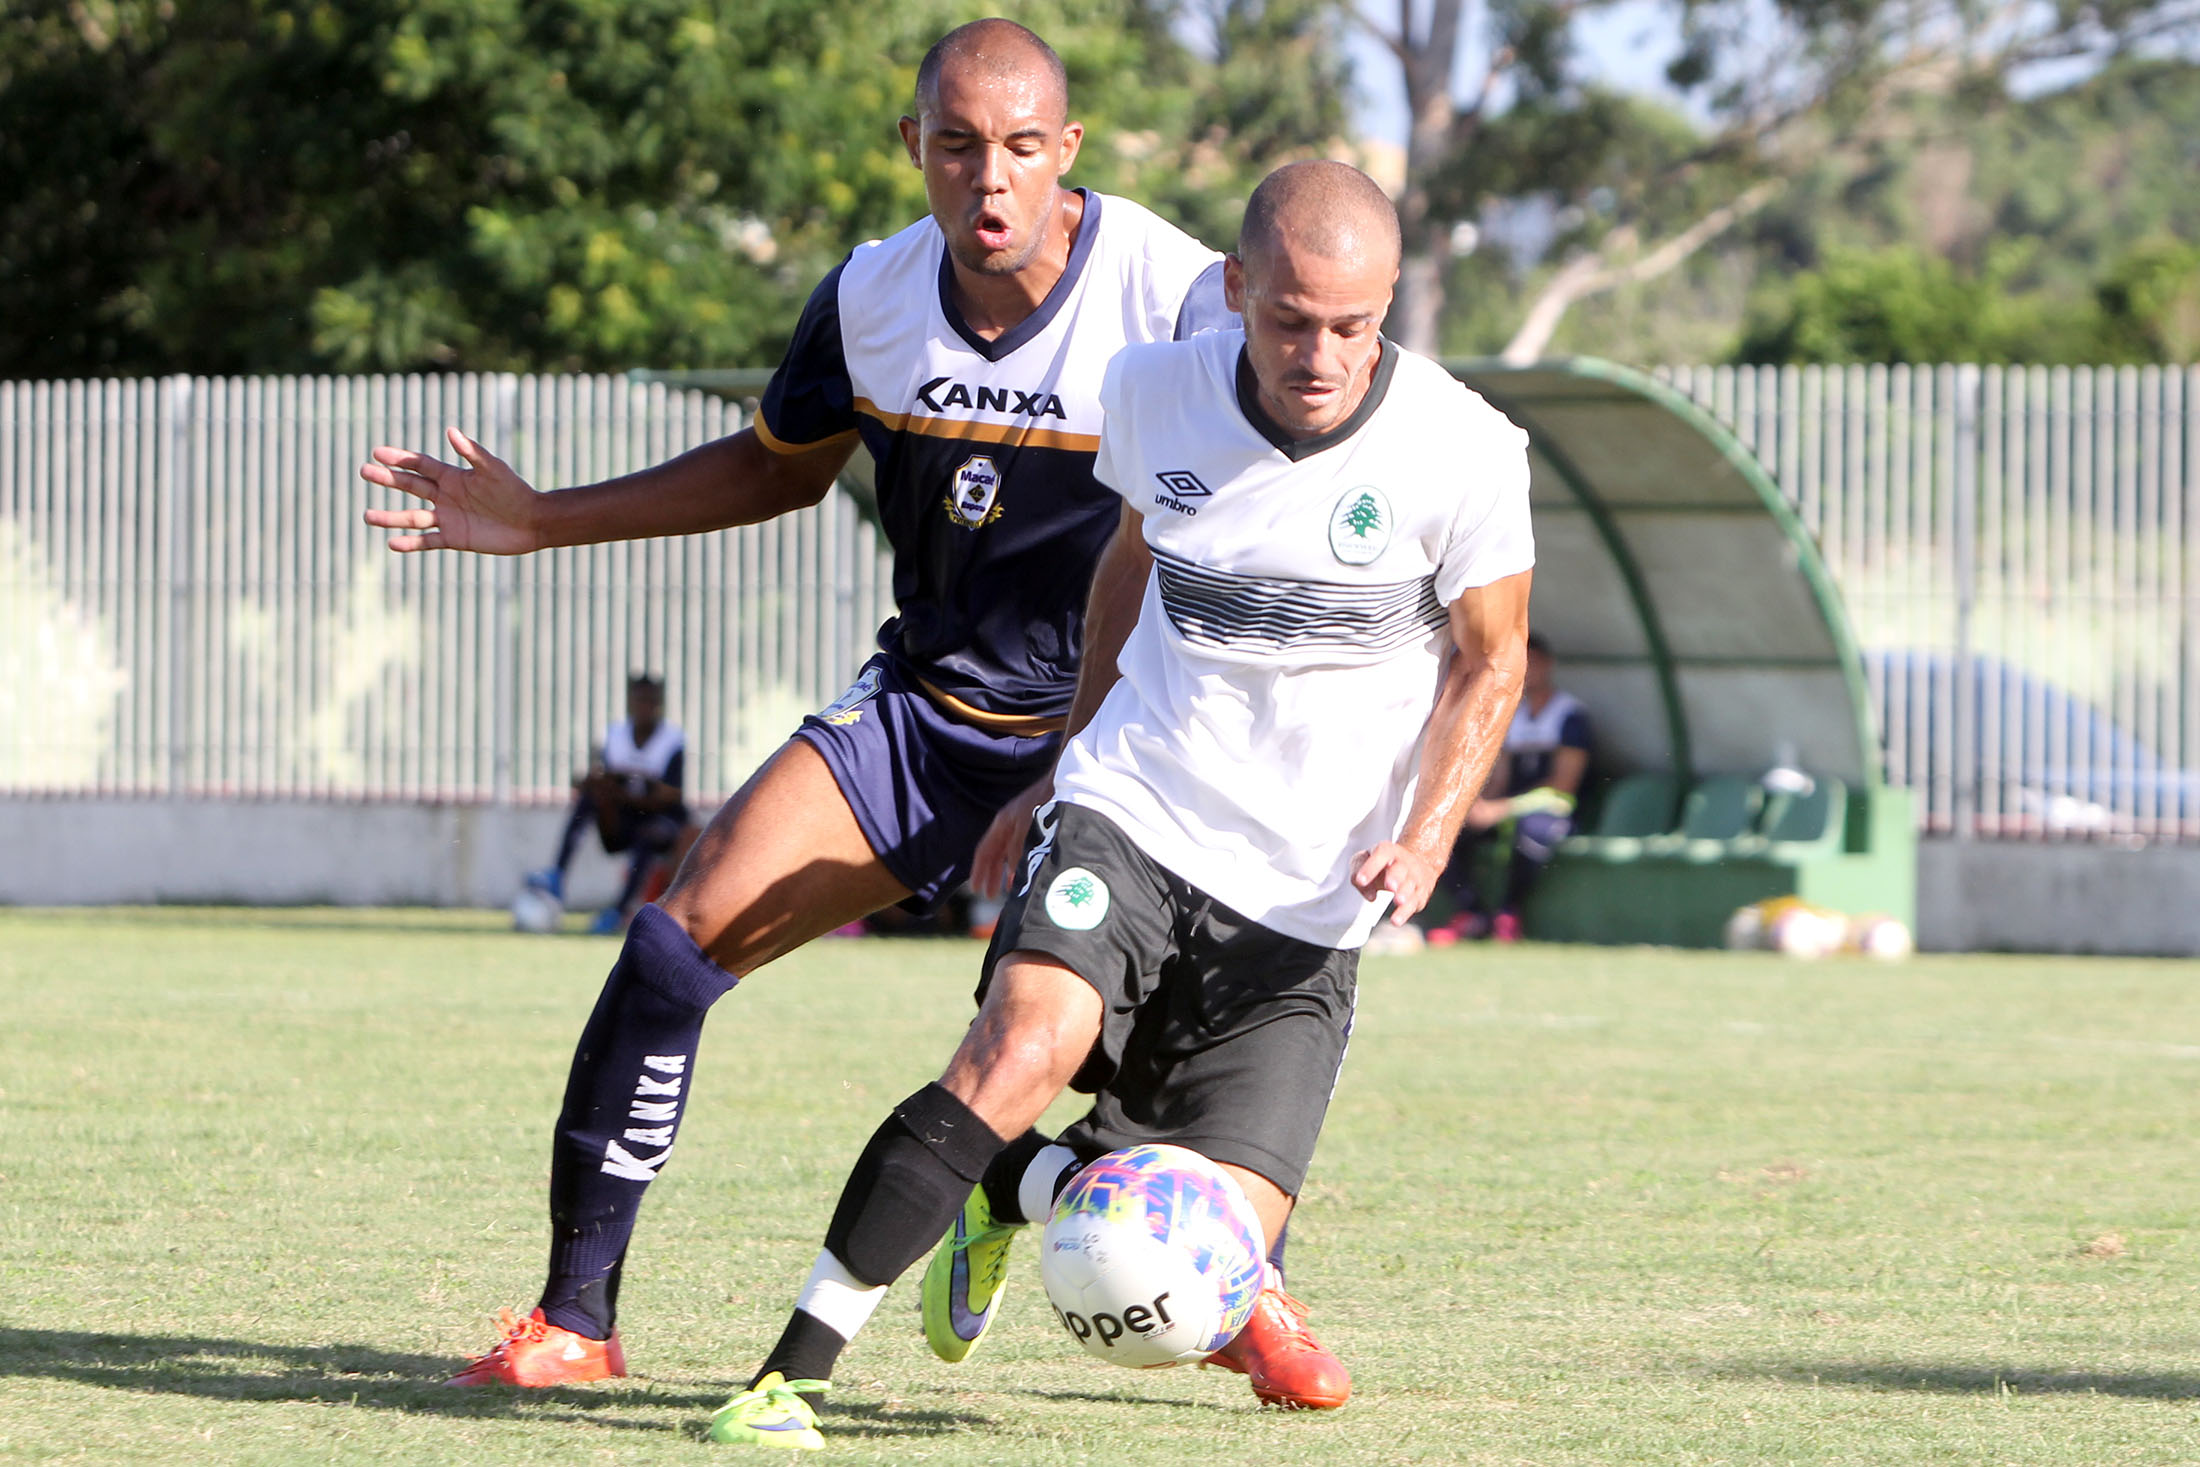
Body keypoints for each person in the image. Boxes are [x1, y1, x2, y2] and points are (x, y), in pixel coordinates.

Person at [356, 18, 1289, 1396]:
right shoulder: (870, 297)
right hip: (928, 717)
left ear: (1068, 150)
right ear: (914, 145)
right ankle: (574, 1319)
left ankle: (1250, 1282)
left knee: (1152, 1059)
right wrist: (545, 518)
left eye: (1024, 147)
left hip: (1121, 737)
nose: (992, 179)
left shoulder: (1174, 292)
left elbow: (1275, 481)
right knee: (674, 946)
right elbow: (774, 467)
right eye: (959, 145)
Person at [704, 159, 1535, 1449]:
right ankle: (790, 1374)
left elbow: (1494, 660)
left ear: (1388, 312)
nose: (1320, 355)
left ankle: (1017, 1183)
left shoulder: (1466, 450)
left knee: (1203, 1269)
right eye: (1289, 321)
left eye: (1353, 327)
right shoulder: (1153, 391)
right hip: (1137, 810)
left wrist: (1425, 836)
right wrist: (1067, 759)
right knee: (1016, 1049)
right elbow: (1128, 560)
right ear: (1236, 290)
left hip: (1309, 895)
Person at [1426, 633, 1590, 944]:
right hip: (1508, 808)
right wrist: (1478, 805)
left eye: (1534, 663)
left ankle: (1508, 914)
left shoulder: (1569, 716)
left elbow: (1563, 785)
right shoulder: (1512, 713)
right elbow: (1499, 777)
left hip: (1553, 809)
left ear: (1548, 665)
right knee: (1448, 830)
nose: (1527, 671)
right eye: (1522, 663)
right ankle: (1471, 913)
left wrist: (1502, 809)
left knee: (1531, 832)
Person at [528, 675, 691, 936]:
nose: (644, 707)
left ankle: (618, 910)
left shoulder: (672, 740)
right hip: (623, 822)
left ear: (659, 704)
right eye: (639, 700)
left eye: (651, 701)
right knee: (589, 799)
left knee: (649, 833)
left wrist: (631, 785)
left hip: (662, 823)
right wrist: (597, 783)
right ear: (630, 702)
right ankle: (556, 875)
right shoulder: (615, 735)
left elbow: (671, 795)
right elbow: (600, 778)